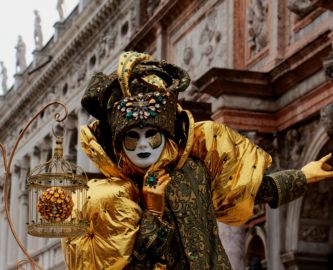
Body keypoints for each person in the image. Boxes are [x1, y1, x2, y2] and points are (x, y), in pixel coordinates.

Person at [62, 51, 333, 269]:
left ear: (166, 135)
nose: (143, 144)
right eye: (132, 137)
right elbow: (137, 262)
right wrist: (153, 211)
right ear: (120, 144)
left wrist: (303, 176)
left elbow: (248, 190)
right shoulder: (116, 194)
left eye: (151, 134)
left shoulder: (194, 169)